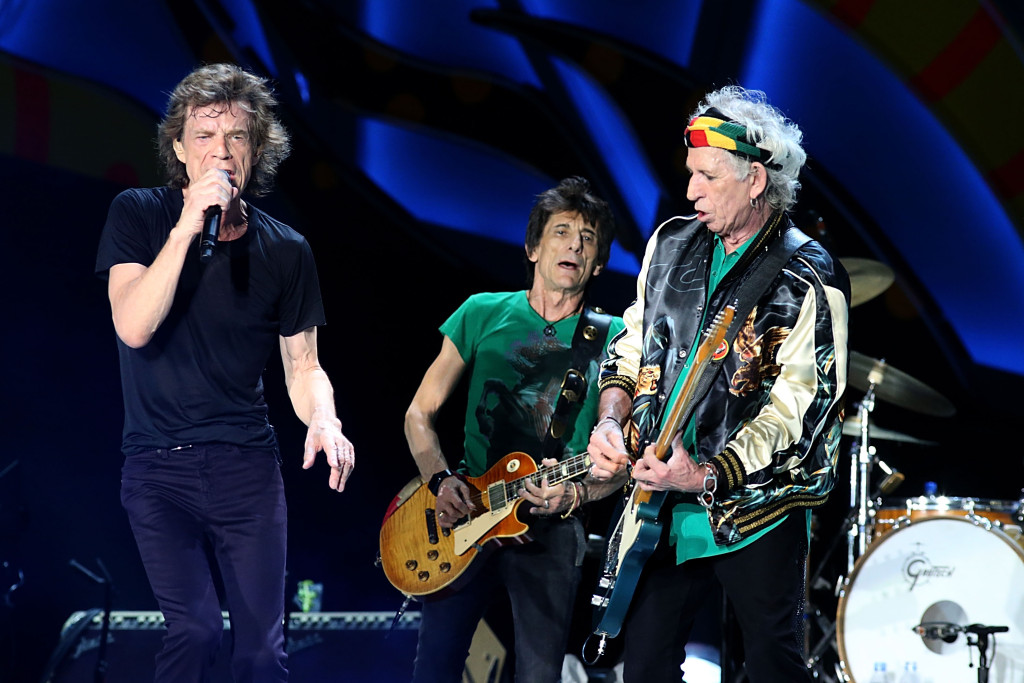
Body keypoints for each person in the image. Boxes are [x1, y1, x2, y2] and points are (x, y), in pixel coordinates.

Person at [95, 63, 355, 682]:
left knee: (263, 652)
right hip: (158, 467)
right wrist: (188, 226)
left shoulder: (286, 249)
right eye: (204, 136)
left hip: (246, 467)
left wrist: (325, 418)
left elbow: (304, 364)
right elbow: (133, 324)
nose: (220, 151)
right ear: (180, 150)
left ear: (257, 149)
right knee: (196, 631)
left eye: (235, 136)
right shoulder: (137, 214)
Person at [586, 85, 849, 683]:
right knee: (646, 668)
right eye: (690, 175)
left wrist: (706, 474)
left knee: (774, 666)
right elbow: (632, 345)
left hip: (759, 509)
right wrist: (610, 418)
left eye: (706, 177)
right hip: (660, 501)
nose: (690, 192)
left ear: (755, 180)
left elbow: (801, 412)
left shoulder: (809, 275)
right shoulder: (669, 244)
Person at [403, 177, 626, 683]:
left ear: (598, 262)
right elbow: (419, 414)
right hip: (467, 510)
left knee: (539, 675)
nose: (574, 244)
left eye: (587, 238)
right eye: (562, 231)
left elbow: (621, 460)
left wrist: (574, 492)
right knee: (432, 668)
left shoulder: (614, 337)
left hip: (552, 524)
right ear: (532, 248)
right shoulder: (481, 312)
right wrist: (441, 481)